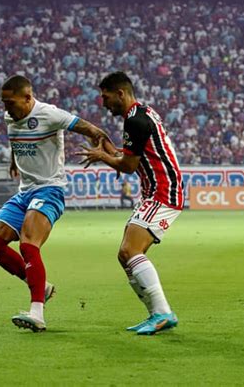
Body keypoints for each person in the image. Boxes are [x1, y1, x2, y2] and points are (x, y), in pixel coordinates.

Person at [0, 75, 114, 332]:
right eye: (3, 102)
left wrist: (112, 155)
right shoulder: (11, 117)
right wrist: (13, 160)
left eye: (10, 102)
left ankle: (37, 313)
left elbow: (94, 130)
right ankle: (42, 286)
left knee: (28, 243)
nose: (6, 108)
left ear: (28, 98)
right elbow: (15, 138)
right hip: (25, 192)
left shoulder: (50, 115)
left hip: (49, 190)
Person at [77, 71, 184, 335]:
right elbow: (129, 154)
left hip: (163, 191)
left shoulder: (135, 121)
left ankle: (162, 313)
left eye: (106, 97)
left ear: (121, 94)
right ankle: (155, 314)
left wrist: (102, 155)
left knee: (130, 251)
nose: (103, 103)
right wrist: (108, 148)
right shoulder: (141, 114)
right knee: (125, 255)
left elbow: (127, 165)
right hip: (155, 191)